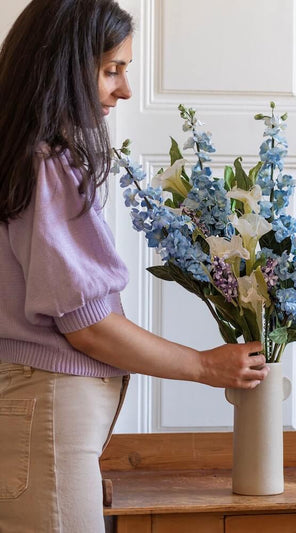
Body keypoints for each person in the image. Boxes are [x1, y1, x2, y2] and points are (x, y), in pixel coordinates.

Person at [0, 1, 268, 531]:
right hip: (48, 413)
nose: (123, 90)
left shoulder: (23, 155)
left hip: (38, 414)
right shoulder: (48, 162)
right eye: (110, 70)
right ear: (62, 66)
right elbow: (90, 328)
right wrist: (205, 365)